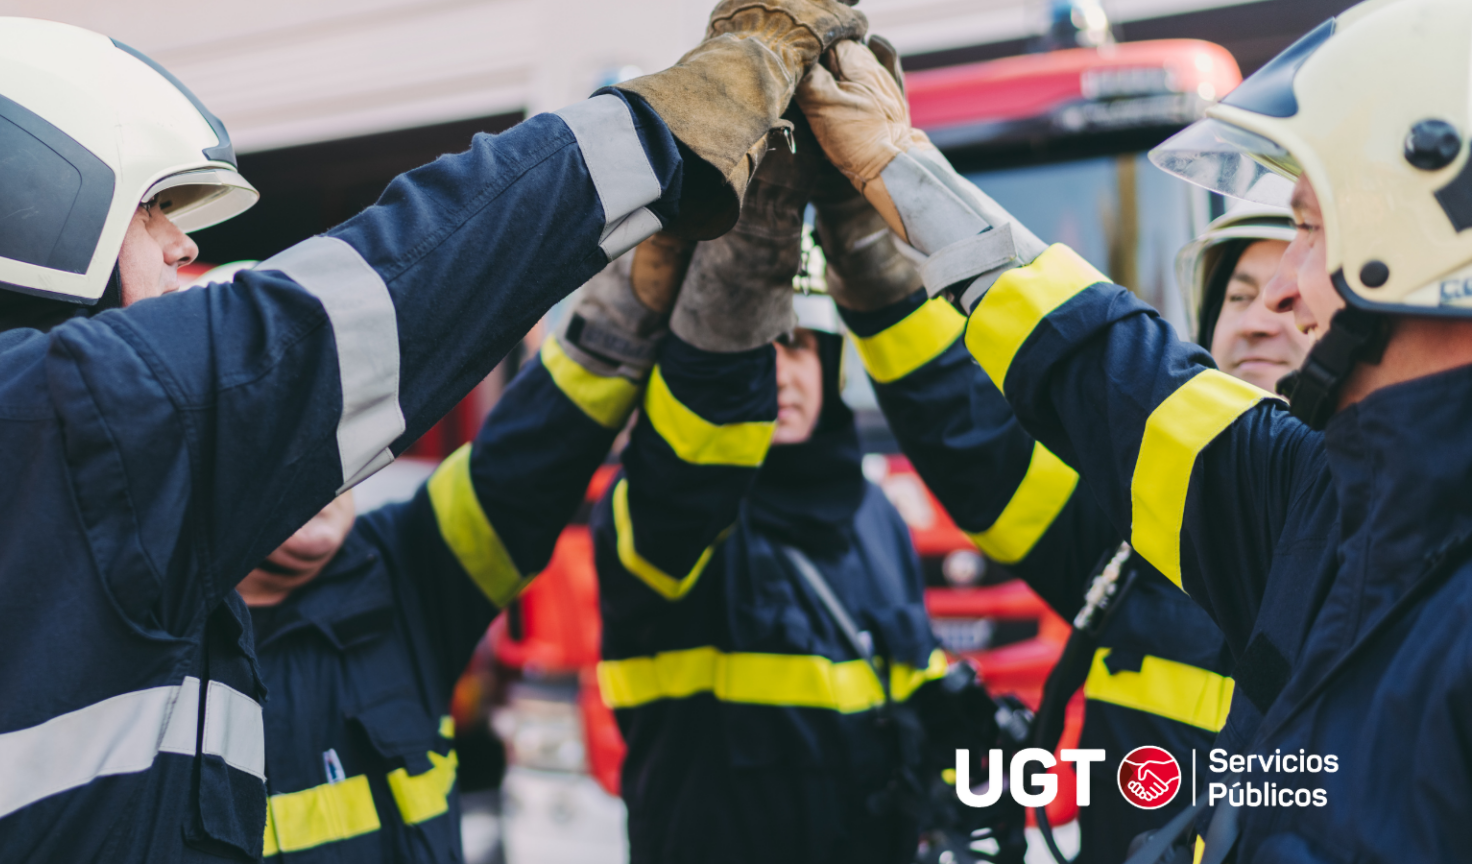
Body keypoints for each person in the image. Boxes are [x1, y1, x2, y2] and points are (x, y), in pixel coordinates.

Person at [0, 4, 868, 861]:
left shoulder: (388, 580)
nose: (181, 246)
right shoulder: (67, 429)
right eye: (156, 208)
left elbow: (531, 461)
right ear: (21, 194)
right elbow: (380, 294)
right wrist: (664, 128)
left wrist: (620, 316)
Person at [799, 2, 1472, 858]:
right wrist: (896, 183)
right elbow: (1105, 370)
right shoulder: (1332, 506)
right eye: (1239, 289)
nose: (1279, 296)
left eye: (1306, 230)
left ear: (1423, 249)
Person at [816, 160, 1302, 861]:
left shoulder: (1391, 548)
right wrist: (871, 261)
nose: (1257, 320)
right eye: (1241, 295)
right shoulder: (1134, 532)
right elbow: (977, 441)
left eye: (1285, 301)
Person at [232, 239, 687, 861]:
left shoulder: (401, 562)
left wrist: (629, 304)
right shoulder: (148, 647)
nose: (310, 452)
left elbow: (535, 453)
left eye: (325, 418)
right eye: (272, 426)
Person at [589, 132, 948, 864]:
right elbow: (678, 484)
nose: (781, 373)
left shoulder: (876, 516)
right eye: (759, 350)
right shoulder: (666, 514)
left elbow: (912, 688)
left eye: (798, 346)